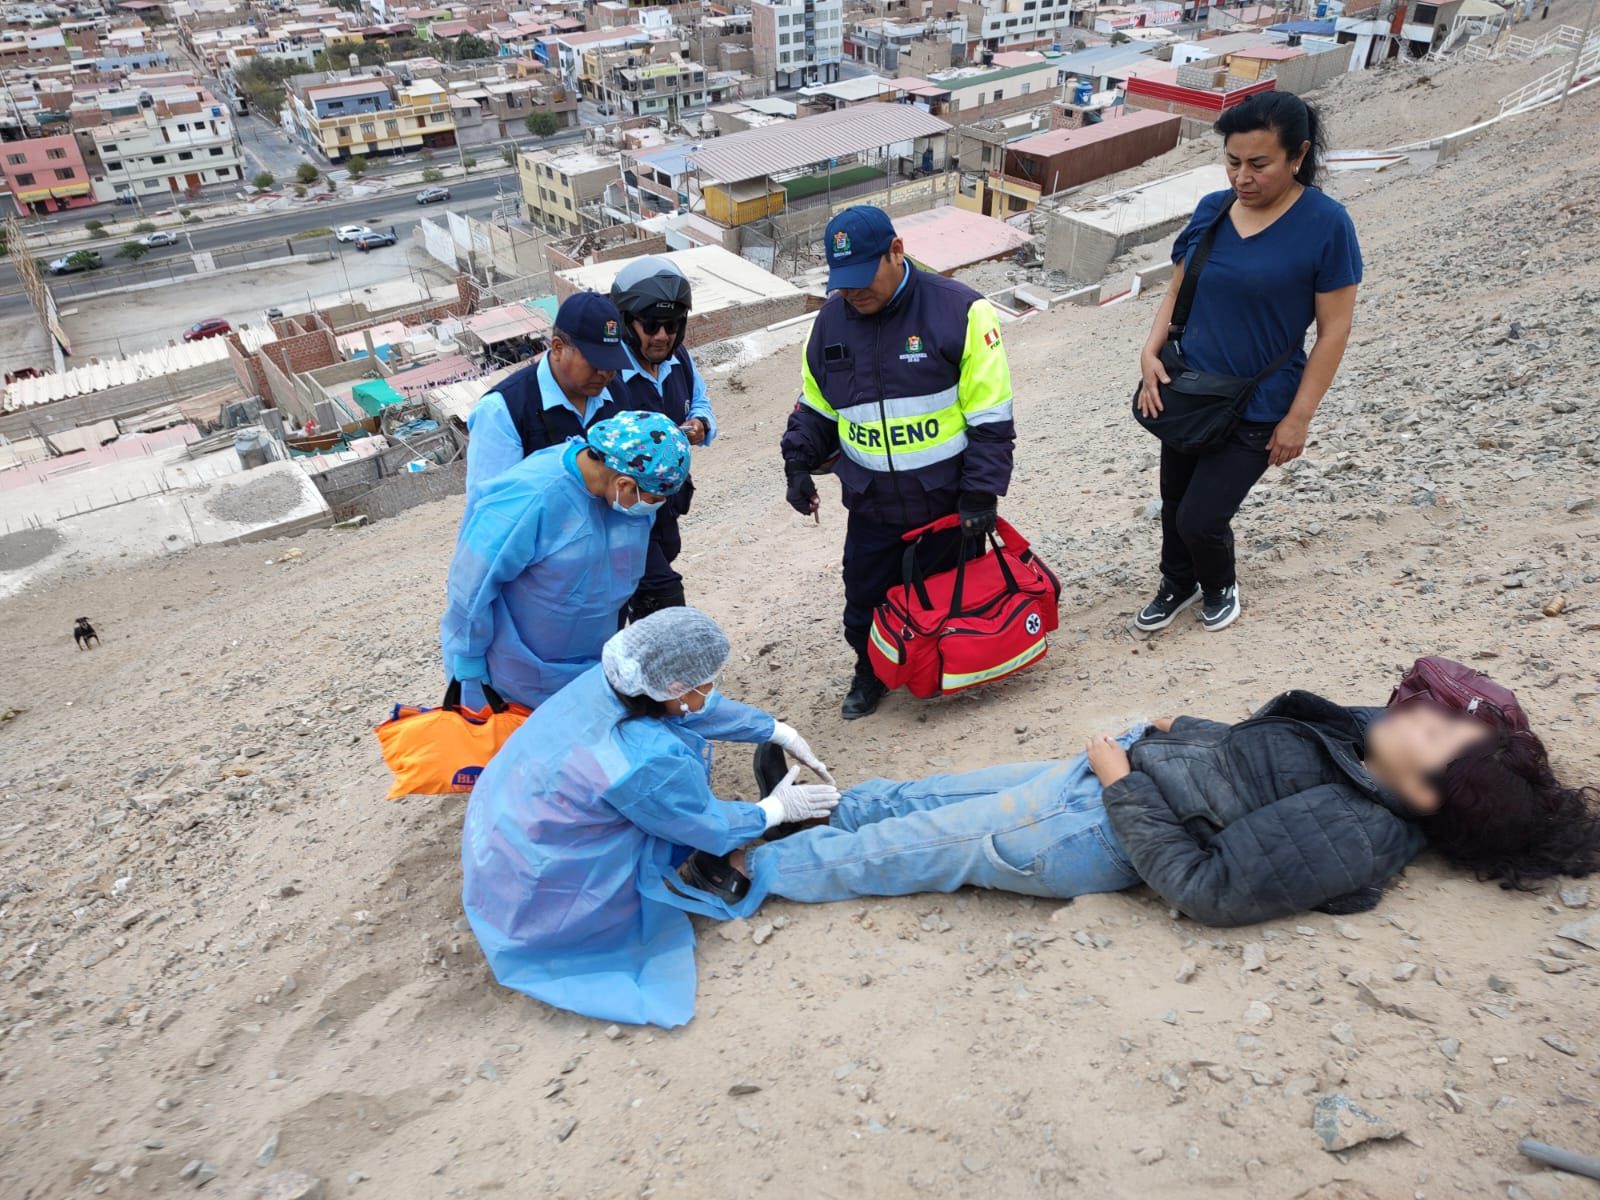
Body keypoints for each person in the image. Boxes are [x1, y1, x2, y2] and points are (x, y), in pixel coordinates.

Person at [713, 693, 1599, 923]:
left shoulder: (1357, 829)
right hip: (1109, 776)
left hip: (1093, 827)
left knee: (911, 846)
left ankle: (740, 868)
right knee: (916, 796)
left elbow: (1205, 887)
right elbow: (1264, 766)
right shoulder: (1371, 762)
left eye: (1440, 737)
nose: (1424, 716)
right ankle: (791, 811)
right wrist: (1192, 730)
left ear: (1420, 793)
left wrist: (1121, 783)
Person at [460, 608, 839, 1028]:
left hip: (502, 835)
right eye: (707, 682)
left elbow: (683, 708)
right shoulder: (645, 760)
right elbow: (703, 823)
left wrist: (772, 729)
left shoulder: (614, 679)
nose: (712, 689)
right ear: (674, 687)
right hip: (543, 887)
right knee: (657, 867)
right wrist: (775, 810)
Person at [1134, 92, 1361, 635]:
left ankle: (1219, 585)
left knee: (1202, 516)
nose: (1242, 177)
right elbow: (1178, 291)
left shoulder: (1327, 225)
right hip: (1190, 388)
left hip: (1260, 402)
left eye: (1259, 164)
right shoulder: (1214, 209)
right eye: (1233, 161)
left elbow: (1335, 330)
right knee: (1173, 501)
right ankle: (1177, 582)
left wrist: (1299, 418)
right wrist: (1149, 351)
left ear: (1297, 155)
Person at [782, 205, 1017, 720]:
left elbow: (991, 418)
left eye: (862, 279)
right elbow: (817, 407)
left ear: (897, 251)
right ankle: (871, 673)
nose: (852, 293)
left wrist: (981, 493)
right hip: (871, 504)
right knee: (863, 600)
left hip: (946, 500)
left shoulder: (962, 311)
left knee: (944, 597)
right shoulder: (828, 326)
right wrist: (796, 464)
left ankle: (949, 668)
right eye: (841, 283)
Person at [439, 411, 690, 710]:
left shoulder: (625, 505)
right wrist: (466, 657)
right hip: (517, 673)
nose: (654, 508)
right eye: (652, 499)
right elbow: (471, 584)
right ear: (623, 483)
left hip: (590, 662)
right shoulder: (530, 496)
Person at [608, 256, 717, 619]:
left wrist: (701, 422)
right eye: (651, 325)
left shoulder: (679, 361)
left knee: (641, 594)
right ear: (627, 323)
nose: (661, 336)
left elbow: (699, 400)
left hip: (665, 506)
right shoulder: (609, 375)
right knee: (663, 594)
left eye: (671, 326)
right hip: (623, 518)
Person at [462, 291, 632, 502]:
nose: (605, 373)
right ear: (558, 348)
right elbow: (491, 507)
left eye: (612, 362)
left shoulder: (617, 392)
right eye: (596, 362)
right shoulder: (502, 412)